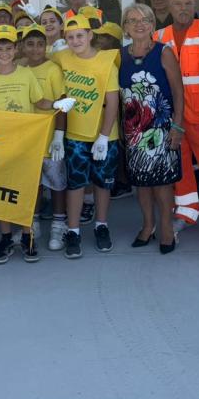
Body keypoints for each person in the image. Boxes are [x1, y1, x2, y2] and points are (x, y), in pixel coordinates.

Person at [0, 25, 75, 264]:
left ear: (15, 49)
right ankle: (5, 237)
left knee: (27, 189)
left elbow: (39, 101)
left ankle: (27, 235)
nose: (4, 53)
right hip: (1, 144)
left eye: (8, 48)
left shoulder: (26, 74)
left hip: (26, 143)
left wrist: (56, 105)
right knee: (3, 190)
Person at [153, 0, 199, 234]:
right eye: (178, 4)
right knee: (179, 165)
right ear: (169, 7)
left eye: (188, 4)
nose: (183, 8)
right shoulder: (158, 36)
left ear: (195, 6)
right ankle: (185, 212)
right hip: (172, 114)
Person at [120, 3, 184, 254]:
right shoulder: (120, 56)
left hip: (161, 127)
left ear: (152, 25)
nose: (139, 24)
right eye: (133, 20)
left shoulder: (164, 52)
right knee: (141, 182)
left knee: (162, 182)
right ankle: (148, 225)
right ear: (125, 26)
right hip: (133, 130)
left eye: (145, 19)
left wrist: (177, 126)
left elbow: (178, 92)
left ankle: (166, 228)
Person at [57, 15, 120, 258]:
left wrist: (103, 136)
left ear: (90, 35)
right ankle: (73, 231)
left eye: (80, 36)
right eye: (70, 37)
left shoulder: (106, 61)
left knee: (103, 183)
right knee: (76, 183)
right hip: (75, 133)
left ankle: (101, 225)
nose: (75, 41)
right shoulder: (62, 57)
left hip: (105, 134)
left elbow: (113, 101)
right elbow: (37, 60)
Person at [19, 24, 70, 251]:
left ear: (46, 46)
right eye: (30, 44)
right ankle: (34, 221)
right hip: (28, 138)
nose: (35, 49)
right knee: (33, 183)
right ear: (22, 46)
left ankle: (59, 224)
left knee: (56, 182)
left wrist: (58, 136)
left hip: (50, 137)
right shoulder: (19, 69)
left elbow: (62, 103)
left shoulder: (53, 69)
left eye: (40, 44)